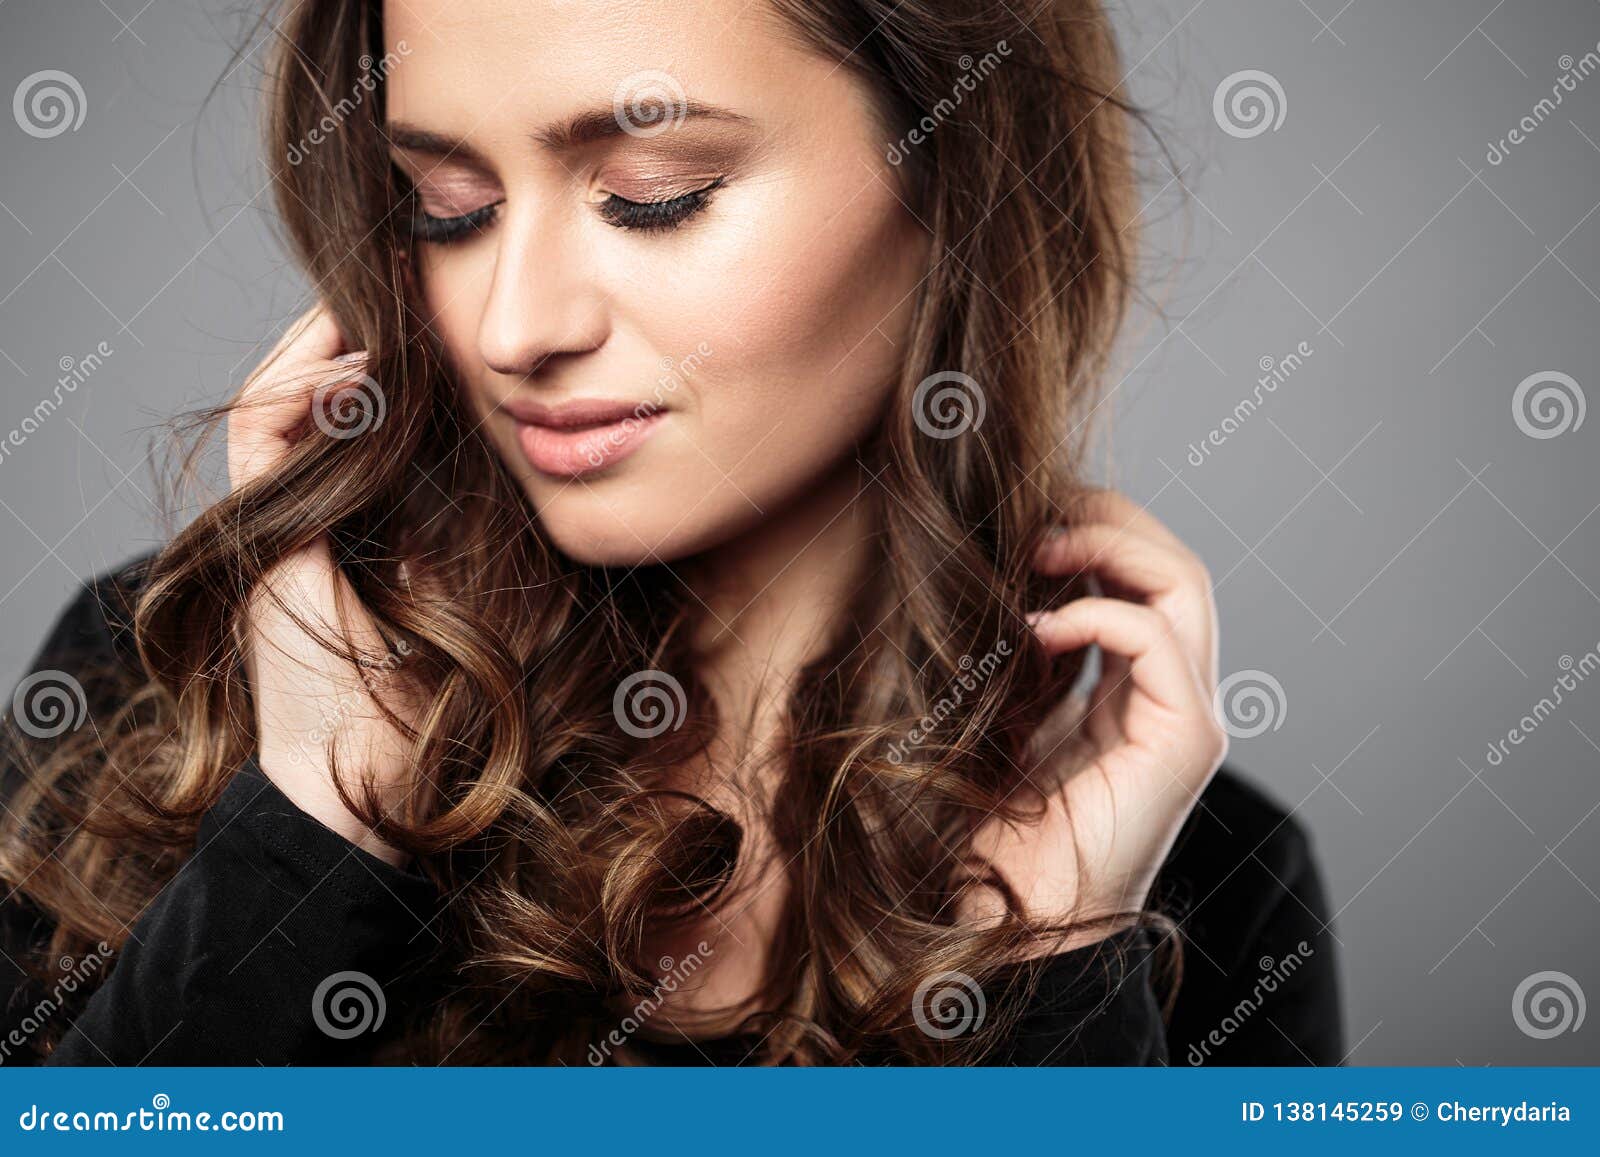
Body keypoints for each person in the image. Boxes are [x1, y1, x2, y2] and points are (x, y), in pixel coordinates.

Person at [0, 0, 1342, 1066]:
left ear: (959, 178)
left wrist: (1054, 974)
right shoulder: (161, 690)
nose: (514, 326)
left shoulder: (1183, 874)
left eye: (653, 194)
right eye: (448, 208)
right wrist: (308, 832)